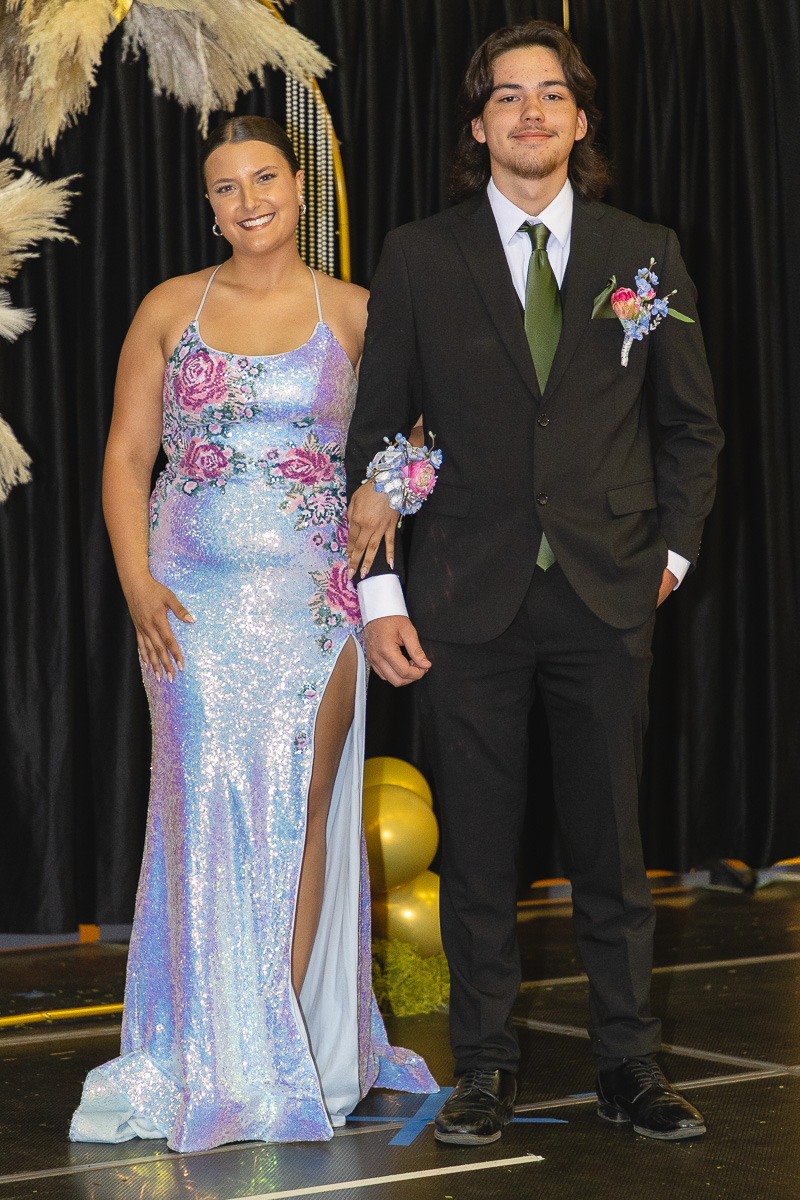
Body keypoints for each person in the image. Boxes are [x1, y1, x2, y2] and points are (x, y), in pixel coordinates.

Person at [345, 21, 723, 1146]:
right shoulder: (419, 254)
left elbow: (690, 427)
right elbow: (376, 435)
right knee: (480, 845)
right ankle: (487, 1070)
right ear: (477, 124)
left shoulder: (640, 249)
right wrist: (379, 597)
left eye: (548, 95)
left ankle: (626, 1066)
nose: (528, 113)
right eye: (505, 97)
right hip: (464, 598)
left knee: (610, 844)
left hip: (610, 595)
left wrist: (671, 552)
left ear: (579, 118)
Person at [70, 115, 435, 1154]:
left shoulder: (359, 311)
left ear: (297, 186)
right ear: (209, 203)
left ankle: (281, 1049)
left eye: (261, 177)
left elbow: (419, 439)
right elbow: (125, 456)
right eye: (223, 187)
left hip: (314, 603)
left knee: (301, 808)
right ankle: (207, 1051)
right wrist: (137, 580)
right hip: (186, 598)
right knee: (200, 810)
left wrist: (380, 492)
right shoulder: (167, 309)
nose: (245, 200)